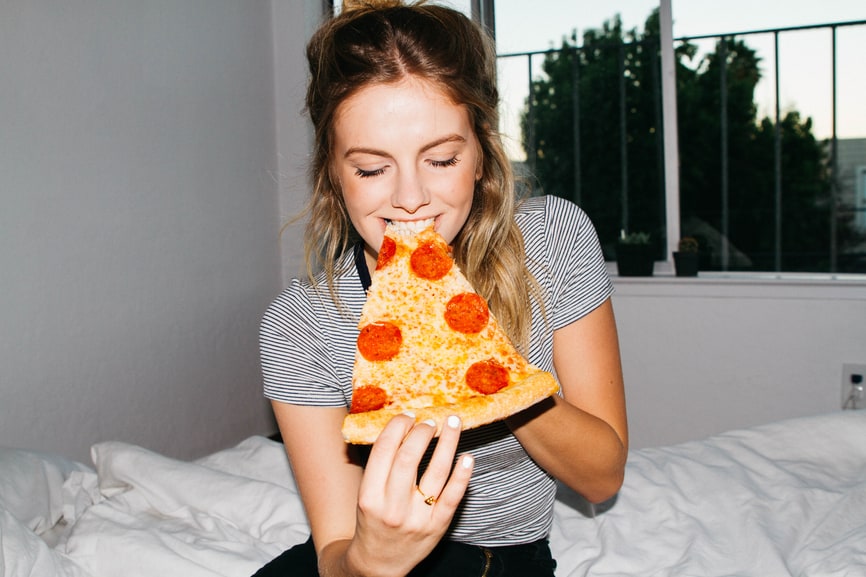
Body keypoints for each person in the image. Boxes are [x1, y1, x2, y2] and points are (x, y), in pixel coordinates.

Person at [256, 1, 628, 575]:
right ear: (333, 172)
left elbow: (602, 477)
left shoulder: (552, 240)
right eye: (371, 169)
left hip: (497, 560)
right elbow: (336, 550)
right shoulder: (299, 324)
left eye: (442, 158)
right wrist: (373, 559)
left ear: (480, 154)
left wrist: (485, 369)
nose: (410, 197)